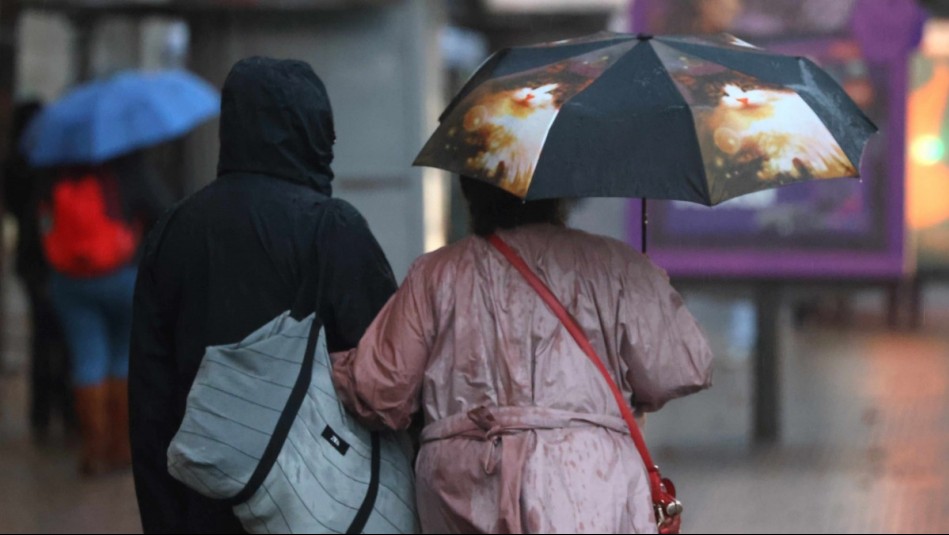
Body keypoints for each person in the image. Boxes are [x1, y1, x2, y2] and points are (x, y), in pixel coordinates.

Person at [332, 176, 714, 534]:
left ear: (471, 192)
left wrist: (328, 363)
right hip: (589, 484)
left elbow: (380, 390)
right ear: (557, 193)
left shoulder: (436, 273)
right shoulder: (616, 265)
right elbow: (682, 368)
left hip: (465, 489)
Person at [129, 57, 397, 534]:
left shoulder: (172, 230)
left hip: (200, 499)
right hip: (317, 503)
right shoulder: (332, 228)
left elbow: (150, 397)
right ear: (313, 128)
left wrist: (161, 517)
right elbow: (388, 377)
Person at [41, 150, 169, 477]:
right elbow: (162, 210)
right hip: (122, 276)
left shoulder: (59, 170)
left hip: (71, 281)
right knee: (122, 358)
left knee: (87, 359)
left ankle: (93, 448)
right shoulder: (130, 165)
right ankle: (121, 446)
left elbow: (42, 222)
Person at [2, 101, 74, 441]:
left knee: (41, 336)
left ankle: (41, 413)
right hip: (57, 260)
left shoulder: (15, 164)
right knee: (62, 335)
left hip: (32, 262)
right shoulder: (56, 167)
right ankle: (66, 410)